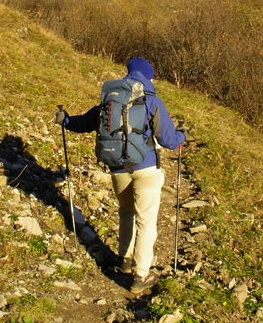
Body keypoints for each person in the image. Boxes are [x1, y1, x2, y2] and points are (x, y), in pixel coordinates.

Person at [56, 57, 187, 294]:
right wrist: (182, 136)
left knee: (126, 213)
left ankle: (125, 260)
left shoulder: (111, 100)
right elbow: (168, 140)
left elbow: (83, 122)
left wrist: (65, 120)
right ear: (148, 76)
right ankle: (141, 275)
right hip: (145, 168)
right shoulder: (151, 100)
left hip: (118, 170)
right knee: (146, 221)